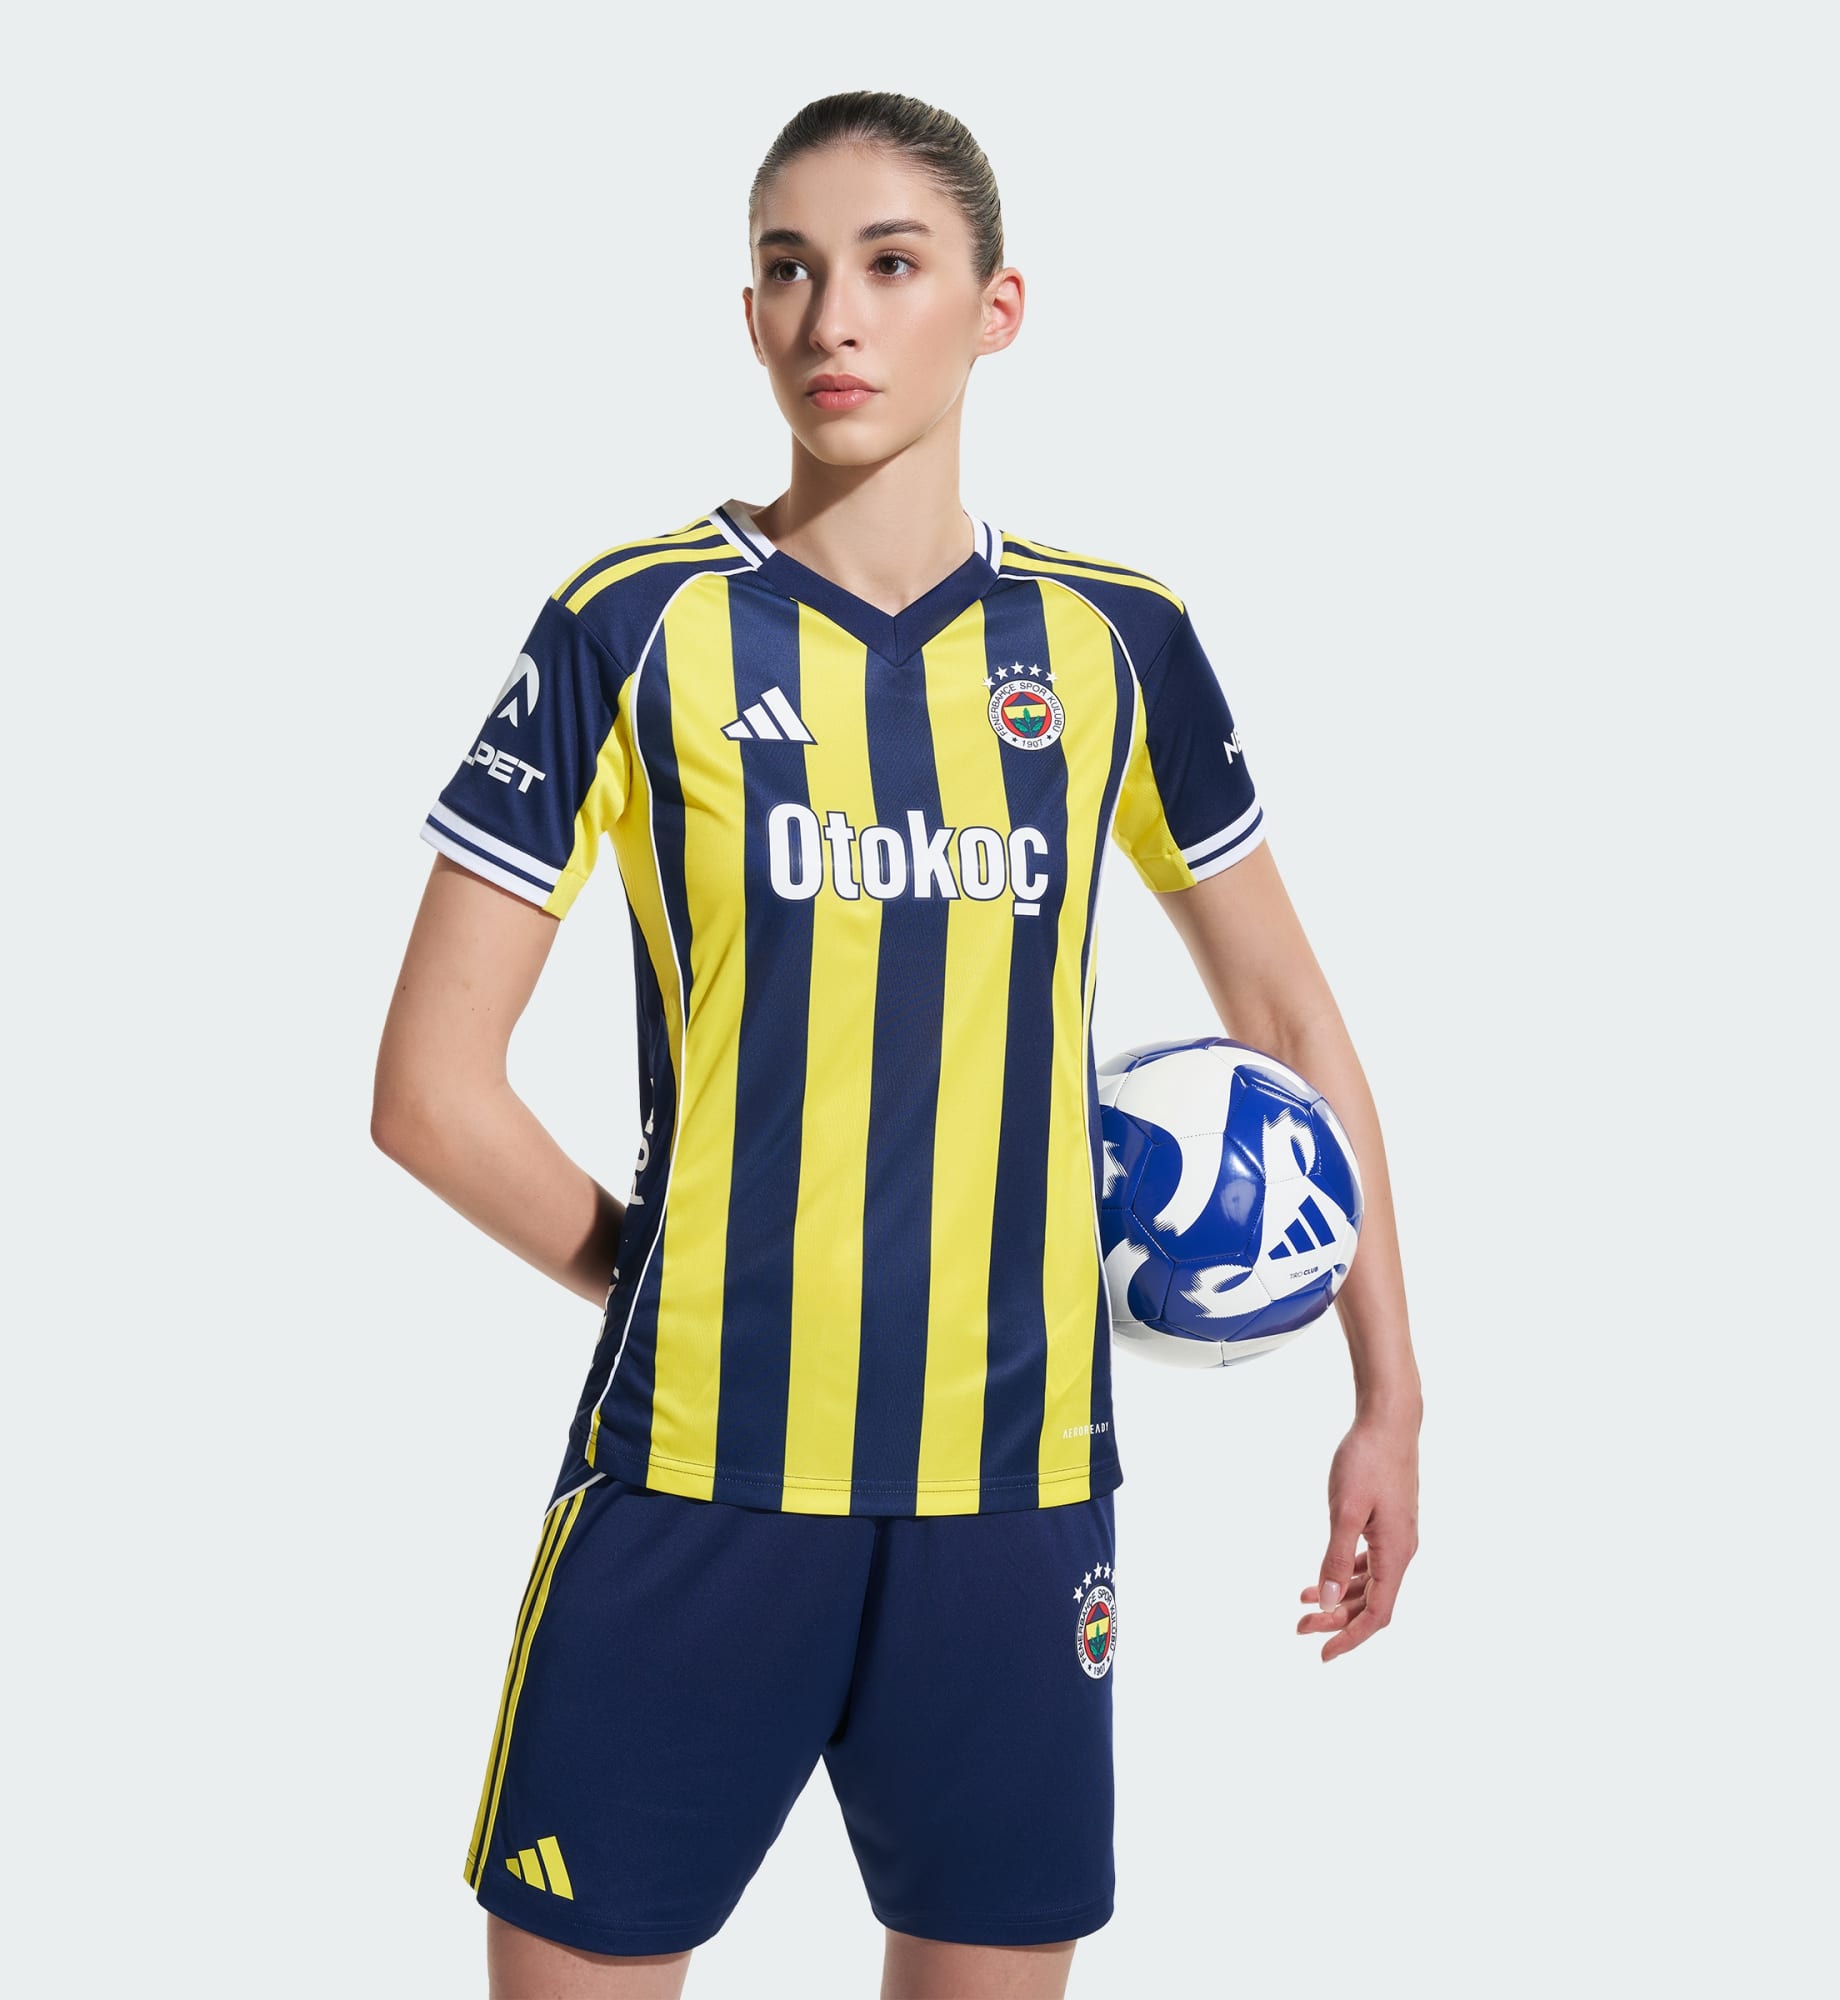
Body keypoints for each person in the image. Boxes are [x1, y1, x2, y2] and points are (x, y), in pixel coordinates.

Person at [372, 88, 1422, 2000]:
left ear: (996, 308)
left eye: (889, 263)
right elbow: (429, 1094)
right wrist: (664, 1282)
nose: (832, 316)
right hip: (694, 1477)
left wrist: (1390, 1394)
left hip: (1017, 1497)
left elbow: (1284, 1018)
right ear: (745, 311)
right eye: (787, 269)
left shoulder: (1117, 645)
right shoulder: (633, 628)